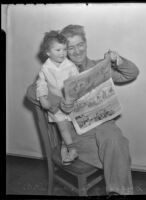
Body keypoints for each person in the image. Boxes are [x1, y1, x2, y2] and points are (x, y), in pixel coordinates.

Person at [27, 25, 139, 195]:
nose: (77, 51)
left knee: (116, 141)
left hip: (102, 124)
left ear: (86, 44)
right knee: (118, 153)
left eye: (80, 44)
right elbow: (31, 91)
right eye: (70, 47)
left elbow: (130, 74)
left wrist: (117, 60)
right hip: (76, 131)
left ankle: (118, 192)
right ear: (63, 50)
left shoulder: (97, 66)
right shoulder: (55, 70)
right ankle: (120, 188)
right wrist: (59, 99)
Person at [36, 30, 79, 165]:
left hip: (72, 103)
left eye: (65, 49)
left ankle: (65, 146)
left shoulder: (70, 65)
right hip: (57, 104)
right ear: (48, 52)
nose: (63, 53)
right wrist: (43, 97)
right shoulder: (45, 68)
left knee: (72, 127)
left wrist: (74, 95)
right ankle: (72, 150)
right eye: (58, 50)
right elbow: (41, 83)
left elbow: (77, 82)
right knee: (63, 127)